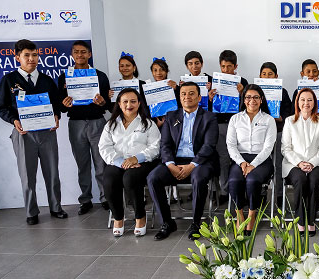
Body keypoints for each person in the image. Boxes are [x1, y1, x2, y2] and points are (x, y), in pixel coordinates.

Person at [0, 39, 68, 225]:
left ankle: (56, 207)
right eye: (26, 55)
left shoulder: (46, 80)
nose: (31, 59)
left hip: (47, 133)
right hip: (23, 134)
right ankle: (31, 212)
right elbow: (2, 107)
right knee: (27, 175)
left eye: (34, 55)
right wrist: (14, 120)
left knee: (52, 173)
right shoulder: (9, 80)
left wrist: (57, 115)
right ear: (17, 57)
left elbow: (56, 105)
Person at [147, 82, 219, 241]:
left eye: (192, 93)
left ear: (199, 97)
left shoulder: (209, 117)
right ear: (179, 98)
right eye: (183, 94)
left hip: (201, 161)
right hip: (174, 161)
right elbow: (164, 144)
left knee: (199, 178)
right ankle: (167, 222)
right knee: (153, 178)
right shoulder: (171, 116)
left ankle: (196, 223)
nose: (187, 97)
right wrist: (170, 164)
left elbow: (209, 146)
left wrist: (192, 165)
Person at [58, 40, 111, 215]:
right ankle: (86, 199)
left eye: (83, 52)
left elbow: (107, 102)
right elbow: (60, 104)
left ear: (89, 54)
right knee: (82, 164)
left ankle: (105, 198)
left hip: (97, 121)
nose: (80, 55)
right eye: (76, 52)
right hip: (76, 124)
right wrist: (65, 104)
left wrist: (103, 102)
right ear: (72, 55)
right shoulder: (65, 76)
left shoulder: (100, 75)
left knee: (101, 163)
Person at [99, 88, 160, 237]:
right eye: (125, 101)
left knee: (130, 178)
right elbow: (104, 147)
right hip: (117, 162)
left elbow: (156, 147)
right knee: (109, 179)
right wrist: (121, 162)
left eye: (133, 101)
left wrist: (136, 158)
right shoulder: (111, 124)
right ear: (119, 104)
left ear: (139, 103)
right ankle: (118, 218)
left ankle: (140, 217)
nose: (129, 105)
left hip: (142, 162)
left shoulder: (148, 124)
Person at [227, 84, 277, 236]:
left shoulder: (269, 120)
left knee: (252, 181)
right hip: (240, 158)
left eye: (256, 97)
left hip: (261, 160)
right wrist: (242, 163)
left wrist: (253, 165)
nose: (252, 100)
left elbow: (268, 148)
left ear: (261, 100)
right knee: (235, 180)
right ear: (243, 100)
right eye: (248, 97)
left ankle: (252, 213)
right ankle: (239, 213)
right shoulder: (235, 119)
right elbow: (231, 144)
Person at [281, 88, 319, 237]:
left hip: (317, 163)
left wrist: (312, 163)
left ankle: (311, 221)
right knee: (301, 180)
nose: (306, 103)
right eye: (303, 99)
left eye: (309, 100)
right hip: (293, 164)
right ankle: (301, 221)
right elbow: (285, 148)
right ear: (297, 102)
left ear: (314, 103)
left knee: (314, 180)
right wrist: (299, 163)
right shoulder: (289, 121)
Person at [208, 50, 249, 205]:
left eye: (229, 67)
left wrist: (241, 93)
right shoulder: (215, 81)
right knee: (224, 159)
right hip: (219, 125)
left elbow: (248, 106)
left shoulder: (242, 81)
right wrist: (210, 98)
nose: (226, 70)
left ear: (235, 66)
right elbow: (208, 107)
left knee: (242, 158)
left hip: (239, 126)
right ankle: (225, 191)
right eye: (223, 66)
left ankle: (242, 191)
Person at [259, 61, 293, 207]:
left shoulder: (283, 92)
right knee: (259, 162)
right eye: (264, 74)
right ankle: (260, 193)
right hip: (259, 134)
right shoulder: (255, 93)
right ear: (259, 76)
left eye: (270, 74)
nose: (267, 77)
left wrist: (279, 118)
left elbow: (290, 115)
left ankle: (279, 195)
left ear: (276, 76)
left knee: (279, 165)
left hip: (278, 132)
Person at [148, 57, 178, 128]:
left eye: (162, 70)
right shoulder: (148, 89)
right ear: (152, 72)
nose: (158, 73)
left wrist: (177, 89)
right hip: (155, 124)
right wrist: (155, 124)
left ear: (167, 71)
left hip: (174, 123)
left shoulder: (174, 86)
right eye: (155, 70)